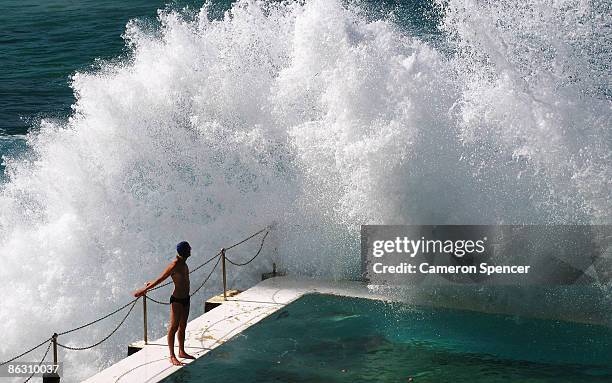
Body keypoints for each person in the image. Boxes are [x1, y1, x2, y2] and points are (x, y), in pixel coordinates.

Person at [133, 241, 195, 366]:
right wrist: (144, 290)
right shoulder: (175, 265)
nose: (190, 250)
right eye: (189, 249)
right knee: (174, 327)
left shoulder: (184, 264)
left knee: (183, 326)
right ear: (185, 251)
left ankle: (181, 351)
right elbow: (161, 278)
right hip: (177, 300)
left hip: (186, 299)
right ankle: (172, 356)